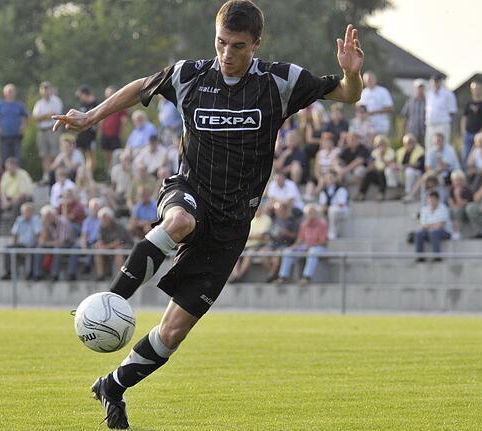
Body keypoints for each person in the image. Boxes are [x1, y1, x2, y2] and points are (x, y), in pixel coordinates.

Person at [53, 1, 363, 427]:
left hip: (232, 225)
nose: (227, 53)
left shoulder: (281, 82)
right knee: (180, 222)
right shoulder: (190, 75)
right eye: (220, 42)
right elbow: (140, 86)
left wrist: (350, 72)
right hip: (188, 191)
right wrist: (91, 117)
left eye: (237, 46)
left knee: (172, 333)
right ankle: (109, 302)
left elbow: (348, 94)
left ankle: (113, 386)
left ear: (256, 44)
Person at [276, 204, 328, 284]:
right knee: (288, 251)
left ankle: (307, 277)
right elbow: (300, 239)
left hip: (318, 248)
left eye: (311, 213)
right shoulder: (304, 225)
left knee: (313, 251)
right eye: (308, 213)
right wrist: (294, 246)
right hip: (305, 247)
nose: (309, 215)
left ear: (315, 214)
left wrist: (310, 245)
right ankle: (283, 277)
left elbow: (323, 242)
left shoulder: (322, 224)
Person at [32, 81, 63, 183]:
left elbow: (55, 115)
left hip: (53, 129)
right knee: (45, 155)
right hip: (42, 131)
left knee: (55, 154)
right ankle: (47, 176)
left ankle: (56, 176)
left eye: (47, 88)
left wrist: (43, 117)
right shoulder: (39, 103)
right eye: (43, 89)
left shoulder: (56, 101)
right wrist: (47, 115)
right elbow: (35, 118)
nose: (45, 91)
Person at [0, 202, 41, 280]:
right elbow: (15, 234)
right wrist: (15, 246)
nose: (27, 213)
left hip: (32, 245)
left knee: (35, 250)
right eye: (25, 211)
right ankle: (9, 272)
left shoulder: (35, 219)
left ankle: (31, 274)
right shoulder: (19, 220)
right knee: (8, 249)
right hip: (21, 245)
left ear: (32, 212)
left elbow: (38, 234)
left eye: (28, 211)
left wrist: (37, 243)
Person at [94, 207, 135, 281]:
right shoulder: (101, 227)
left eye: (104, 218)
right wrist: (99, 244)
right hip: (110, 248)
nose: (103, 220)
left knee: (118, 251)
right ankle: (101, 276)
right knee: (97, 252)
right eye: (102, 219)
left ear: (110, 218)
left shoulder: (118, 226)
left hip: (126, 246)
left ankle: (121, 277)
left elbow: (118, 242)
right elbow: (100, 240)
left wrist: (105, 247)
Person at [0, 84, 29, 165]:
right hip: (4, 137)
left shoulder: (19, 105)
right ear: (4, 93)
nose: (10, 93)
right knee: (4, 159)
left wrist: (24, 127)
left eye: (11, 91)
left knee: (17, 159)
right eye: (8, 91)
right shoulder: (0, 105)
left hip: (17, 137)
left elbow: (27, 117)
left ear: (15, 93)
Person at [424, 74, 457, 162]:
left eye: (437, 81)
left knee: (443, 146)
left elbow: (452, 111)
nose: (435, 83)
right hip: (430, 124)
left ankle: (444, 167)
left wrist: (444, 120)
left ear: (441, 82)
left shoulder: (448, 94)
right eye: (433, 81)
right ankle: (429, 167)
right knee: (429, 146)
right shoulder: (429, 94)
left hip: (443, 124)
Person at [414, 190, 452, 262]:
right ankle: (420, 257)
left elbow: (441, 225)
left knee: (434, 233)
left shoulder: (443, 208)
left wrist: (428, 226)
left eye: (433, 198)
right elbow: (422, 225)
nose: (431, 200)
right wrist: (433, 225)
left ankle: (437, 256)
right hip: (429, 232)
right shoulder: (424, 209)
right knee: (419, 234)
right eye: (429, 199)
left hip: (445, 232)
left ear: (437, 199)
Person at [460, 81, 482, 164]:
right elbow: (464, 118)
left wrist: (481, 133)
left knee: (477, 156)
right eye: (474, 89)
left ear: (481, 90)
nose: (476, 91)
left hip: (479, 136)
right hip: (468, 134)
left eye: (478, 89)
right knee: (466, 157)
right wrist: (464, 131)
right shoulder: (468, 104)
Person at [99, 86, 128, 174]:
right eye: (108, 94)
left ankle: (115, 173)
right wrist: (101, 132)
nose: (109, 95)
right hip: (105, 134)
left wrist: (121, 133)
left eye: (111, 93)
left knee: (116, 155)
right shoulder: (104, 104)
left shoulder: (120, 104)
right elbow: (101, 120)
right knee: (106, 156)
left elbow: (124, 120)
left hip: (115, 135)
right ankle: (108, 173)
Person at [359, 71, 393, 136]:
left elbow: (390, 108)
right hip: (367, 127)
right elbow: (359, 107)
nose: (369, 82)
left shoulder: (383, 91)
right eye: (367, 80)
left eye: (370, 79)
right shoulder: (363, 93)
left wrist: (373, 112)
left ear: (375, 80)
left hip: (381, 126)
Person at [75, 86, 99, 171]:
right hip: (81, 133)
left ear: (85, 94)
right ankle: (80, 174)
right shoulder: (82, 104)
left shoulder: (95, 104)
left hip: (91, 133)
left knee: (91, 155)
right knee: (78, 153)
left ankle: (89, 175)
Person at [318, 172, 348, 240]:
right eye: (327, 178)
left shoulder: (341, 189)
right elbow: (323, 204)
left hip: (341, 211)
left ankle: (332, 233)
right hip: (329, 209)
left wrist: (327, 207)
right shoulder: (323, 191)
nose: (329, 179)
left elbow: (341, 204)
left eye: (331, 177)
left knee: (332, 210)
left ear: (335, 178)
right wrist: (324, 208)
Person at [400, 79, 426, 145]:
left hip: (424, 131)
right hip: (412, 131)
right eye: (418, 88)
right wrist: (402, 133)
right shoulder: (410, 102)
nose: (420, 89)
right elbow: (405, 117)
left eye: (421, 87)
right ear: (415, 89)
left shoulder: (428, 102)